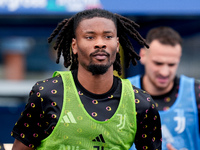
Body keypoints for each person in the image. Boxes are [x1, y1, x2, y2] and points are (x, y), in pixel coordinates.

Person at [11, 8, 162, 150]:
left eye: (108, 36)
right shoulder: (47, 93)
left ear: (117, 44)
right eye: (90, 37)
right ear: (74, 46)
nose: (100, 43)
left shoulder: (141, 103)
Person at [128, 26, 200, 150]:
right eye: (158, 63)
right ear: (143, 55)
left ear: (179, 59)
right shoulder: (122, 92)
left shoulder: (196, 93)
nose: (165, 72)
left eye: (171, 64)